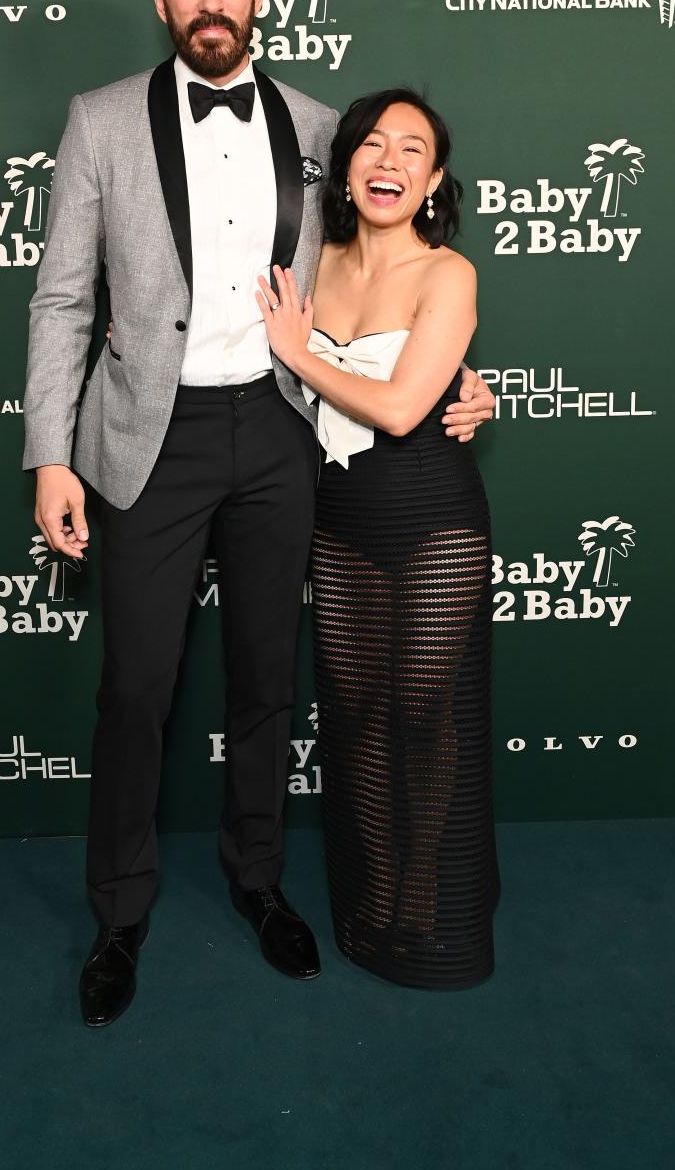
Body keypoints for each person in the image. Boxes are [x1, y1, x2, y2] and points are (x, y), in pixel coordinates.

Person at [23, 0, 495, 1028]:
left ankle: (258, 881)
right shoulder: (98, 122)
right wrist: (50, 455)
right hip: (148, 438)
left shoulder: (325, 126)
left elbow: (396, 252)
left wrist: (458, 383)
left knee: (266, 683)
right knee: (136, 687)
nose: (209, 1)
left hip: (285, 436)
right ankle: (120, 914)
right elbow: (62, 298)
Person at [256, 89, 497, 989]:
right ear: (346, 167)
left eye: (412, 150)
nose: (388, 161)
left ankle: (426, 900)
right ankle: (373, 898)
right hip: (339, 521)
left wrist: (302, 353)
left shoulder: (448, 274)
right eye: (371, 145)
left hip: (432, 515)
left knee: (423, 715)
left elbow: (400, 408)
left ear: (433, 180)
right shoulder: (311, 264)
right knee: (356, 717)